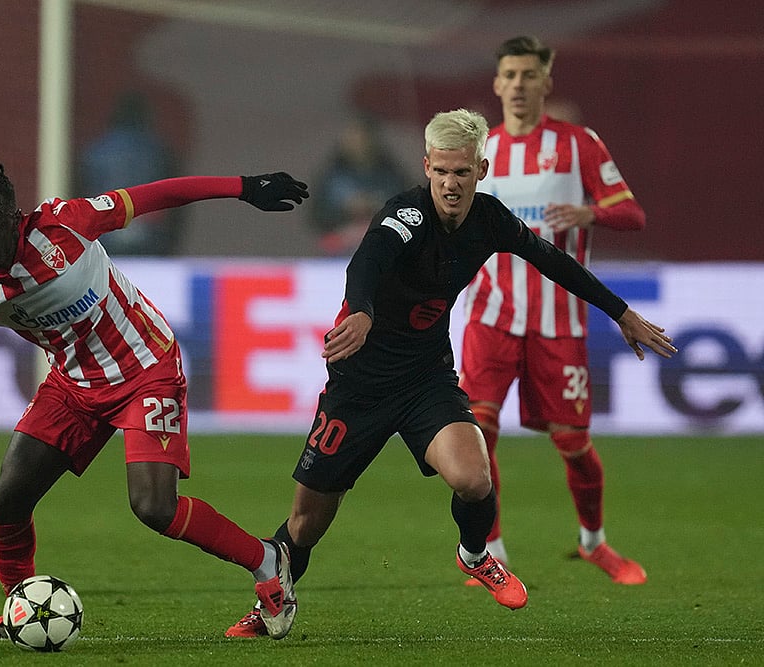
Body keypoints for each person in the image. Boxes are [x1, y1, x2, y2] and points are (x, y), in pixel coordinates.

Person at [224, 108, 675, 637]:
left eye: (461, 172)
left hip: (426, 380)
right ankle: (272, 606)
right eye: (440, 172)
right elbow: (365, 262)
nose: (450, 183)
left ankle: (474, 553)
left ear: (479, 171)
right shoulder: (405, 216)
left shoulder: (490, 219)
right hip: (359, 387)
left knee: (474, 477)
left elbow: (551, 258)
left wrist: (620, 313)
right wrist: (363, 310)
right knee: (305, 524)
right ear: (427, 168)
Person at [0, 90, 308, 640]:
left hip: (146, 368)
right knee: (8, 497)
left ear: (15, 219)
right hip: (73, 384)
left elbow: (160, 194)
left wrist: (243, 187)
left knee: (153, 507)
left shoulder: (66, 225)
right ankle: (18, 608)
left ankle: (266, 561)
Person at [458, 36, 649, 584]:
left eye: (528, 75)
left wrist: (589, 213)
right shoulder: (480, 151)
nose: (518, 85)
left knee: (573, 443)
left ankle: (594, 542)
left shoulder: (576, 144)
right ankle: (489, 550)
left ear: (546, 81)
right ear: (496, 84)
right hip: (490, 313)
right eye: (509, 75)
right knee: (477, 434)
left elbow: (632, 214)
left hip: (558, 318)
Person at [76, 90, 185, 255]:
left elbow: (81, 195)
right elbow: (177, 198)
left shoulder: (95, 151)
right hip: (151, 236)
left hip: (106, 233)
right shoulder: (159, 151)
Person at [310, 114, 407, 255]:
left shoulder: (391, 175)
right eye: (352, 137)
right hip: (338, 254)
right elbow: (317, 215)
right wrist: (346, 209)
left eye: (362, 138)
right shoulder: (331, 176)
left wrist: (378, 207)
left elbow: (408, 211)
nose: (357, 143)